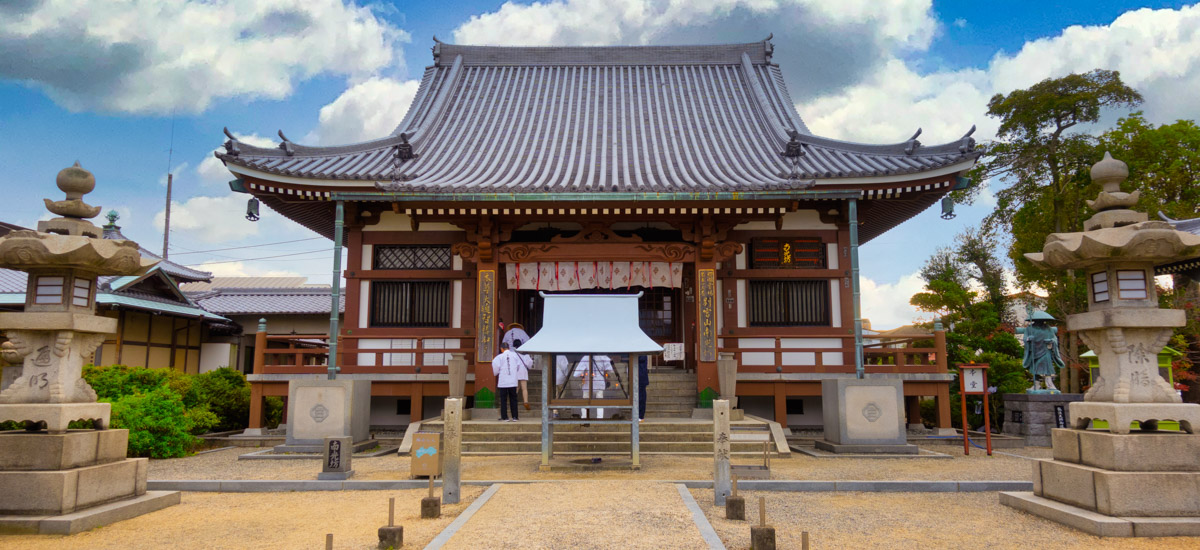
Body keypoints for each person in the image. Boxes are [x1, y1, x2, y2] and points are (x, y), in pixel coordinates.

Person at [492, 341, 524, 422]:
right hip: (513, 381)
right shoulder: (515, 356)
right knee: (513, 398)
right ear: (509, 348)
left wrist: (497, 372)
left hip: (503, 381)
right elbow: (518, 366)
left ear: (501, 349)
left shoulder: (499, 357)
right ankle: (515, 417)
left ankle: (504, 417)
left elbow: (495, 368)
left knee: (503, 399)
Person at [577, 354, 613, 419]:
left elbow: (578, 372)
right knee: (600, 402)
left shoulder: (585, 357)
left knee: (585, 401)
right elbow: (609, 369)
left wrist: (582, 375)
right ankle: (600, 418)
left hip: (588, 382)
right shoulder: (603, 357)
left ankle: (584, 417)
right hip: (599, 382)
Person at [512, 338, 534, 410]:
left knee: (516, 387)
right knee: (524, 388)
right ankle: (526, 402)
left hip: (516, 372)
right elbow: (530, 363)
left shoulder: (513, 354)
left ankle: (513, 400)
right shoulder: (525, 353)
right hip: (523, 371)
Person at [638, 355, 650, 422]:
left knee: (641, 397)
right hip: (637, 377)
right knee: (638, 398)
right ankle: (637, 415)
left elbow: (639, 359)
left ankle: (640, 415)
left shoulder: (642, 354)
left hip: (641, 378)